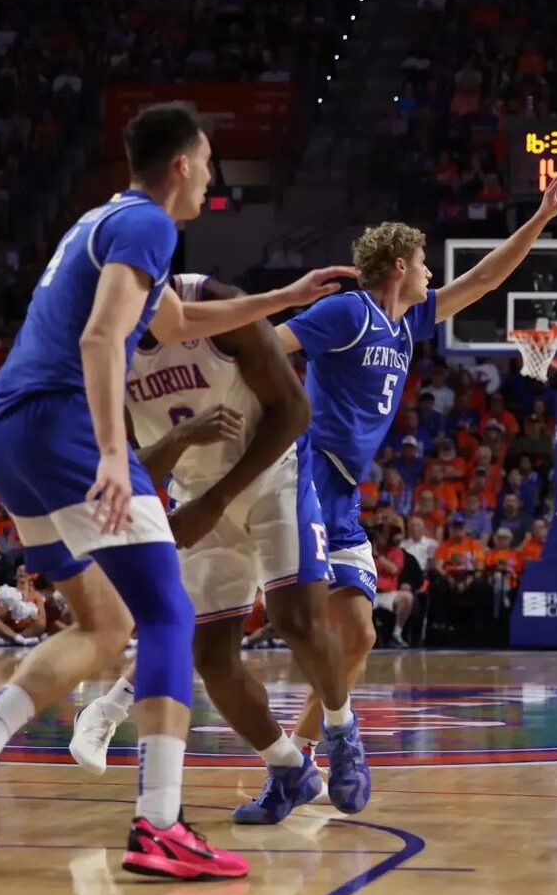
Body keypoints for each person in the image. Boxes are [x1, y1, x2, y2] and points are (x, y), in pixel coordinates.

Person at [0, 101, 348, 876]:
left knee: (105, 623)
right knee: (169, 615)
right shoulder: (150, 225)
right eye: (209, 164)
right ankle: (160, 826)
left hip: (10, 431)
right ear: (182, 165)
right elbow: (101, 336)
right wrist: (109, 453)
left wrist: (284, 298)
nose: (211, 180)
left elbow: (178, 322)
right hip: (63, 426)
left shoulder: (105, 221)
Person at [275, 167, 557, 768]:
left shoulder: (409, 321)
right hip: (304, 475)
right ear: (398, 267)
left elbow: (484, 280)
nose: (432, 272)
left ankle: (297, 758)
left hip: (343, 490)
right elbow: (268, 345)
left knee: (359, 636)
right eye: (423, 262)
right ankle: (128, 695)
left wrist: (540, 218)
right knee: (268, 616)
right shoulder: (347, 312)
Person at [67, 272, 362, 826]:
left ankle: (342, 730)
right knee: (211, 658)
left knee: (297, 620)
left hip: (273, 478)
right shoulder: (105, 358)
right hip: (196, 496)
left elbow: (294, 410)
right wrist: (180, 440)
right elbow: (126, 470)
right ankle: (288, 768)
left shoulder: (217, 305)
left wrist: (218, 498)